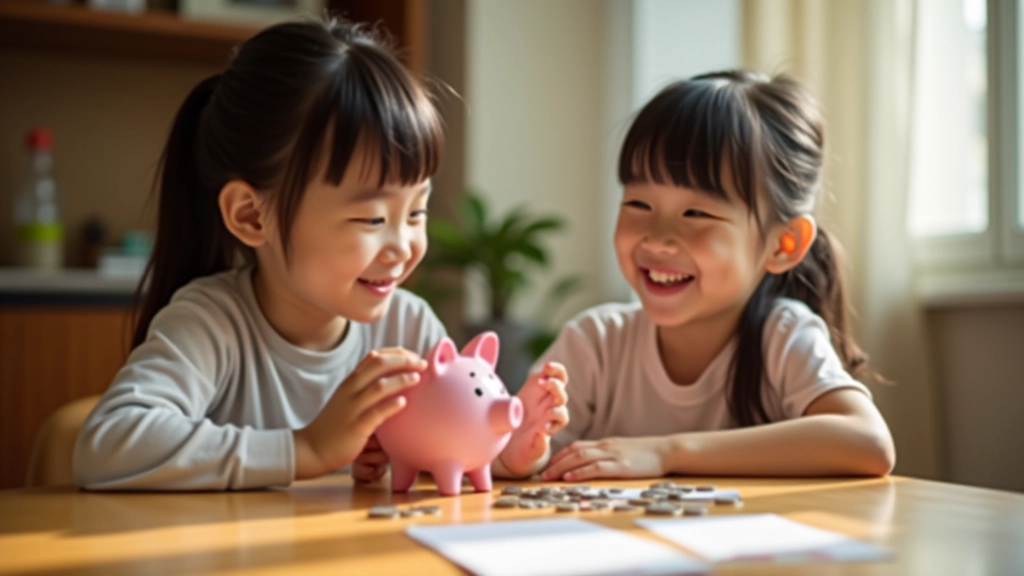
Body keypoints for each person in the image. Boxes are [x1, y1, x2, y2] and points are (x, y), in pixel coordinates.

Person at [73, 19, 567, 491]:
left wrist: (512, 445)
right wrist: (305, 448)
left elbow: (456, 445)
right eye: (372, 219)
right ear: (251, 216)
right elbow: (106, 446)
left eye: (417, 212)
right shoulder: (212, 324)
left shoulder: (408, 326)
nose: (402, 246)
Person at [539, 70, 895, 482]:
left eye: (696, 213)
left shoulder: (782, 338)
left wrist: (667, 451)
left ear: (783, 244)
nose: (658, 240)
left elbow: (868, 442)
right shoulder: (594, 344)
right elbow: (512, 453)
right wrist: (516, 447)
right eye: (638, 203)